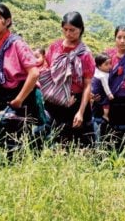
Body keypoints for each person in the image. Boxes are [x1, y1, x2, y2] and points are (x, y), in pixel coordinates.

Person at [0, 3, 44, 156]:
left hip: (20, 95)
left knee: (10, 137)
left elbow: (34, 73)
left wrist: (19, 100)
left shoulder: (17, 44)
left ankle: (11, 172)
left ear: (7, 21)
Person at [42, 11, 95, 147]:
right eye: (65, 29)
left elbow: (87, 85)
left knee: (76, 142)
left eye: (72, 30)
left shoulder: (85, 54)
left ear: (81, 29)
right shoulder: (55, 47)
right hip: (53, 101)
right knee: (50, 139)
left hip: (75, 102)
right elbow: (46, 73)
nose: (68, 33)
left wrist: (81, 112)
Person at [91, 52, 113, 123]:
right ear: (99, 66)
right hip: (98, 93)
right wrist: (109, 95)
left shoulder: (97, 71)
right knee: (106, 102)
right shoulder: (103, 76)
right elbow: (105, 86)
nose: (109, 66)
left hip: (93, 92)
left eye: (110, 63)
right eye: (106, 64)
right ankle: (105, 115)